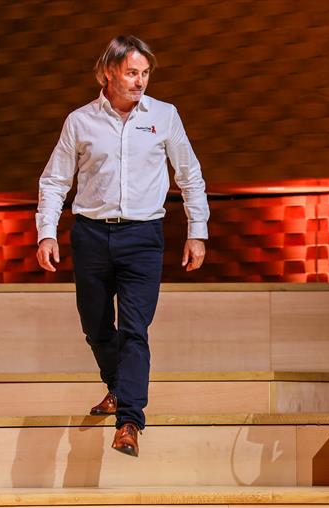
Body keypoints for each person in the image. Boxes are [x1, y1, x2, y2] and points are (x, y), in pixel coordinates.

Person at [35, 35, 209, 457]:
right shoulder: (80, 121)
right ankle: (116, 387)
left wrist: (196, 231)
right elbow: (55, 180)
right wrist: (46, 231)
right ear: (110, 71)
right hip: (91, 235)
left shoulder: (164, 116)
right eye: (132, 72)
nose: (140, 81)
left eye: (145, 73)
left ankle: (129, 420)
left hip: (143, 237)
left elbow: (189, 174)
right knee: (95, 327)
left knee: (135, 330)